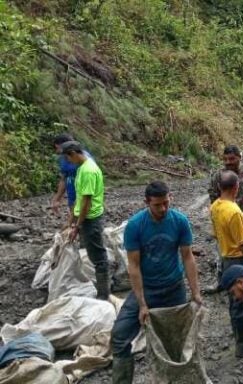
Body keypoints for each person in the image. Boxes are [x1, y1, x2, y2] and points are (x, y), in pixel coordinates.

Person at [111, 181, 203, 384]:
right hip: (147, 289)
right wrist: (142, 304)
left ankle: (177, 379)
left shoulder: (179, 221)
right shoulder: (136, 225)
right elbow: (133, 266)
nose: (163, 209)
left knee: (176, 342)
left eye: (166, 203)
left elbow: (187, 257)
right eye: (157, 205)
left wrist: (195, 292)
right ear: (147, 202)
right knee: (120, 337)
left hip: (173, 288)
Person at [210, 170, 243, 359]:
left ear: (219, 187)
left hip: (226, 257)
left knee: (236, 302)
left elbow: (215, 233)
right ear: (236, 187)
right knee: (241, 303)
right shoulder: (234, 213)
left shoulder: (216, 206)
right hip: (238, 259)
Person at [61, 141, 110, 300]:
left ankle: (103, 294)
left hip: (91, 219)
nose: (69, 162)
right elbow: (79, 198)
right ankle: (102, 290)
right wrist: (70, 221)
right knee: (93, 253)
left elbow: (87, 202)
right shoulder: (82, 168)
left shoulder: (88, 171)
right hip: (86, 218)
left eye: (69, 158)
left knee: (98, 257)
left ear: (74, 154)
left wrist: (77, 225)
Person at [50, 134, 91, 222]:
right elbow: (64, 178)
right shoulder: (63, 158)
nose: (57, 151)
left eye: (58, 148)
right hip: (72, 192)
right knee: (74, 221)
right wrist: (57, 199)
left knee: (82, 222)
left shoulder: (83, 158)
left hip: (84, 194)